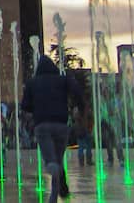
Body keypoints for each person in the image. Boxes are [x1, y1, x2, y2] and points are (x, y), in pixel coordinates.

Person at [23, 55, 82, 201]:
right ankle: (54, 197)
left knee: (51, 161)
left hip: (42, 126)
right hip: (61, 125)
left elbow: (25, 106)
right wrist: (78, 107)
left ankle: (53, 171)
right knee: (58, 160)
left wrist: (36, 107)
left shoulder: (32, 83)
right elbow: (77, 91)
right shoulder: (63, 80)